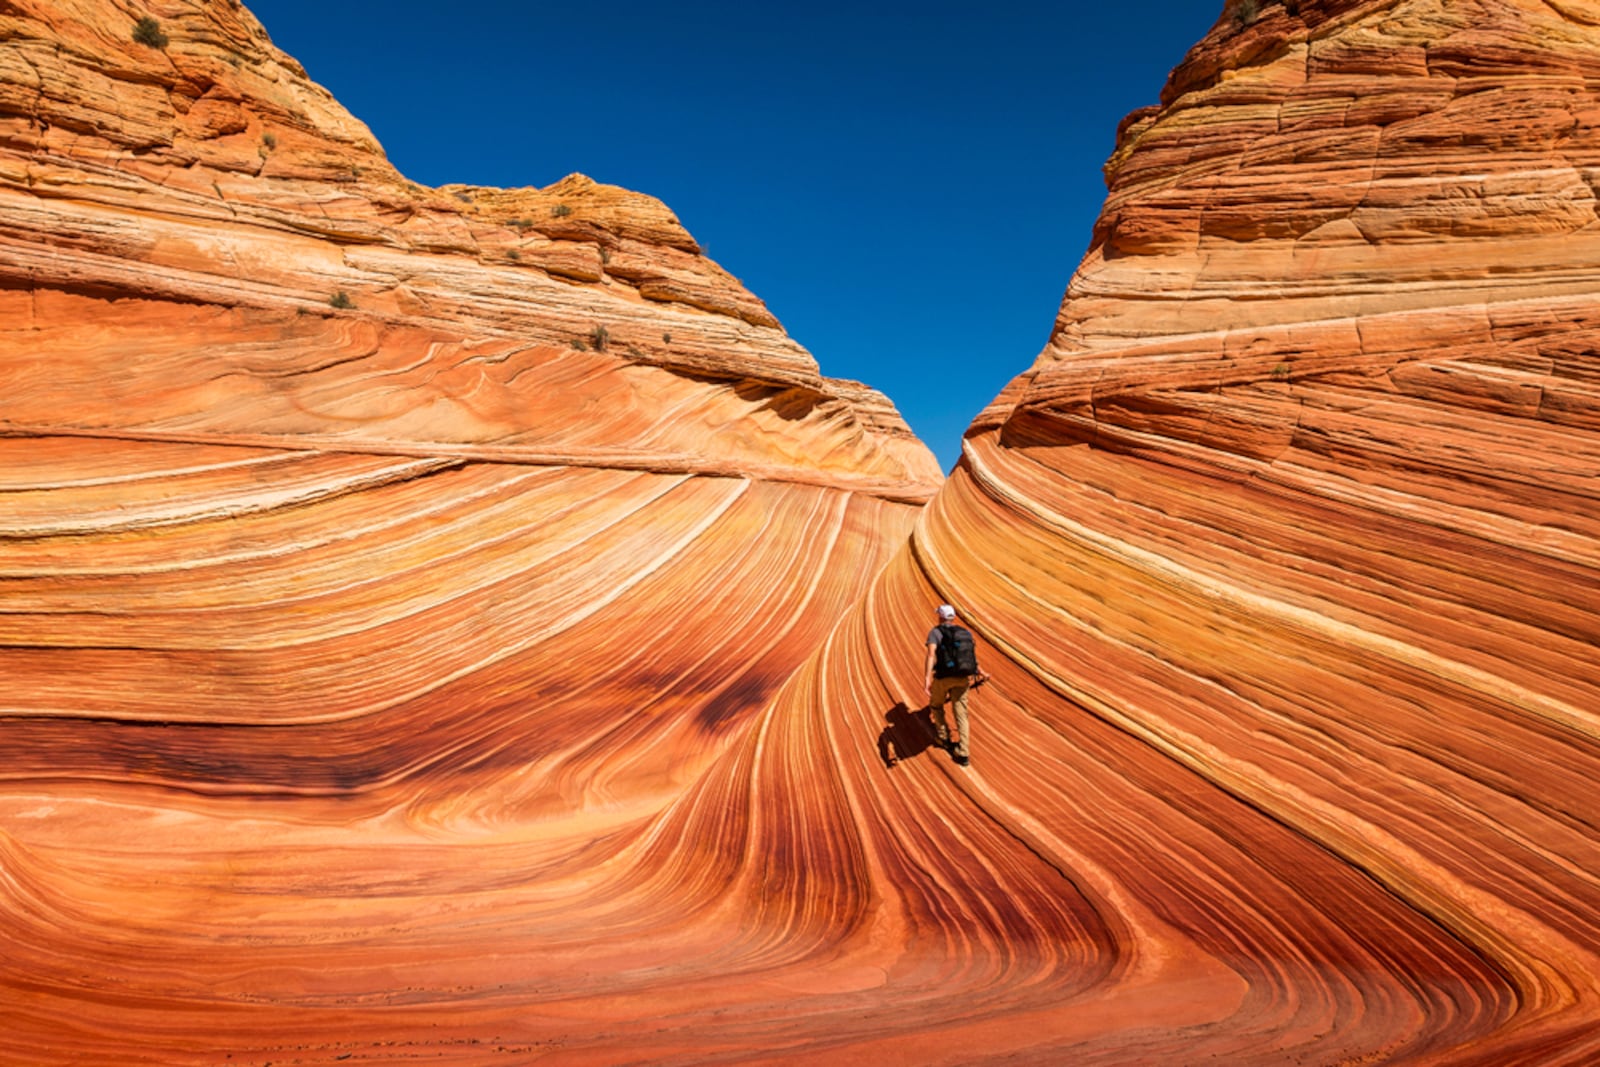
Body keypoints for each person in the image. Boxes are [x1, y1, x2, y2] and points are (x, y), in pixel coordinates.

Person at [923, 604, 988, 766]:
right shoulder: (964, 632)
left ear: (940, 617)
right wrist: (981, 672)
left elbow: (931, 654)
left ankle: (943, 737)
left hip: (944, 677)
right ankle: (963, 752)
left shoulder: (936, 632)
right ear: (953, 618)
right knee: (961, 714)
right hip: (962, 678)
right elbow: (969, 656)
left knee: (936, 705)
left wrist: (927, 678)